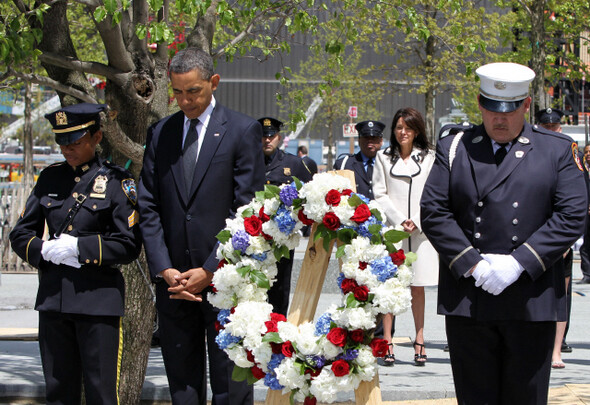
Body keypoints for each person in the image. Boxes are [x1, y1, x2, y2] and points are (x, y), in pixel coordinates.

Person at [420, 62, 587, 404]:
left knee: (525, 397)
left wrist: (519, 262)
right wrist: (473, 263)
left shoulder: (556, 150)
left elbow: (571, 215)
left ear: (526, 105)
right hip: (471, 295)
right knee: (475, 396)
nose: (500, 119)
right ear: (480, 104)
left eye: (509, 110)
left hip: (530, 297)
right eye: (491, 109)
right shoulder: (456, 147)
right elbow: (434, 211)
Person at [137, 48, 265, 405]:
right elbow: (148, 205)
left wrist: (211, 268)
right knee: (182, 382)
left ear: (214, 82)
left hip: (224, 280)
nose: (185, 100)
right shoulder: (161, 133)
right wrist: (164, 267)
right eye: (177, 92)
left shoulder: (242, 131)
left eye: (193, 91)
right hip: (174, 282)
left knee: (230, 382)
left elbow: (248, 213)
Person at [9, 103, 141, 405]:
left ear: (96, 138)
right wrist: (43, 250)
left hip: (98, 303)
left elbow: (128, 244)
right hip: (54, 300)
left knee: (101, 392)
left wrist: (79, 249)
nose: (67, 148)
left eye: (75, 141)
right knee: (58, 391)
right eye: (61, 141)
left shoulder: (117, 182)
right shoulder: (51, 178)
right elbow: (20, 233)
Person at [372, 108, 438, 367]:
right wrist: (400, 219)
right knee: (391, 286)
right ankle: (387, 340)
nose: (403, 132)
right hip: (394, 230)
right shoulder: (383, 157)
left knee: (418, 285)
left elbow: (434, 193)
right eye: (399, 127)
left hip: (421, 232)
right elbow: (380, 193)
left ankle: (419, 338)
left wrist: (418, 220)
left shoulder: (430, 158)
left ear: (417, 130)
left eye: (408, 127)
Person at [535, 107, 577, 367]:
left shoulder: (569, 153)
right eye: (546, 127)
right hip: (531, 237)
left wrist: (566, 240)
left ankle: (556, 350)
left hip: (559, 239)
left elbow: (576, 203)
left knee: (560, 294)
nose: (551, 131)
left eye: (555, 127)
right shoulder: (529, 151)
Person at [260, 117, 312, 315]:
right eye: (263, 136)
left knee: (280, 290)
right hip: (255, 237)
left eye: (271, 136)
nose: (267, 140)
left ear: (279, 138)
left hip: (282, 240)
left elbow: (308, 192)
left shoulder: (293, 163)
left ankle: (278, 330)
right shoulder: (248, 161)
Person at [333, 120, 384, 200]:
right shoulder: (344, 164)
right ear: (359, 140)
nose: (370, 141)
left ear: (381, 141)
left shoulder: (389, 165)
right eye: (366, 137)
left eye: (374, 137)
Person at [578, 143, 590, 285]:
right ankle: (587, 273)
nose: (588, 154)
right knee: (586, 244)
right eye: (586, 152)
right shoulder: (580, 169)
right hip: (585, 212)